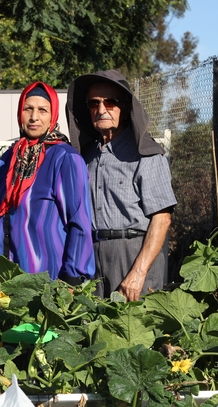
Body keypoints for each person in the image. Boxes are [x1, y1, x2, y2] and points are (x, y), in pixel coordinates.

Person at [66, 69, 177, 301]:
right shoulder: (84, 157)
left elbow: (162, 218)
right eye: (94, 103)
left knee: (136, 331)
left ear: (126, 108)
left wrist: (138, 273)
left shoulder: (146, 155)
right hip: (92, 258)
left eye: (110, 102)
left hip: (134, 254)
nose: (101, 109)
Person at [0, 82, 95, 284]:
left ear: (52, 115)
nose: (34, 117)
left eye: (42, 110)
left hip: (49, 281)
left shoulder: (64, 158)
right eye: (28, 108)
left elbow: (79, 222)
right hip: (6, 280)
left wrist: (72, 279)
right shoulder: (10, 159)